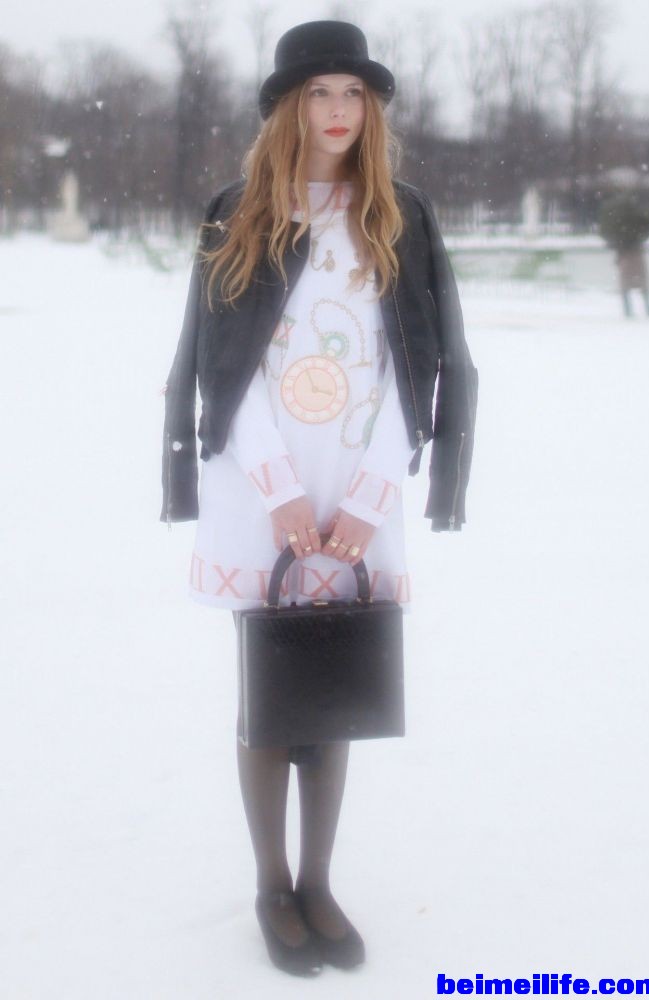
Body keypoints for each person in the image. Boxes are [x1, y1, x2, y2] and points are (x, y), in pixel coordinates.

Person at [159, 20, 478, 977]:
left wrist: (372, 497)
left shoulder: (398, 215)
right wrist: (280, 493)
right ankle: (271, 884)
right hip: (264, 484)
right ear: (288, 109)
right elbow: (227, 369)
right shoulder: (242, 213)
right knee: (271, 687)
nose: (338, 112)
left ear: (370, 110)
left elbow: (411, 366)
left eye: (353, 95)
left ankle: (319, 880)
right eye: (318, 94)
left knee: (334, 686)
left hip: (355, 481)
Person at [598, 192, 649, 318]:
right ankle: (647, 307)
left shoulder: (613, 213)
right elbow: (647, 224)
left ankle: (628, 308)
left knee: (625, 280)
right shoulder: (634, 212)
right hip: (635, 248)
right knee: (642, 279)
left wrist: (615, 243)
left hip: (622, 250)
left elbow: (605, 231)